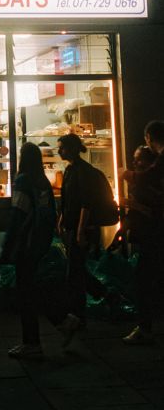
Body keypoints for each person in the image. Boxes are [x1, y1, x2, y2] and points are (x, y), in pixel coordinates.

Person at [1, 142, 57, 358]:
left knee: (26, 293)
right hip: (40, 241)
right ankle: (63, 320)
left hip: (26, 242)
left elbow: (18, 214)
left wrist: (8, 245)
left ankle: (32, 342)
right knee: (34, 288)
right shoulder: (43, 180)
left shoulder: (23, 181)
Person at [58, 132, 114, 330]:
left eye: (62, 148)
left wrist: (81, 231)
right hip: (73, 227)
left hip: (83, 228)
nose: (59, 151)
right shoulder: (70, 170)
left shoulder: (83, 172)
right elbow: (68, 200)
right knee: (77, 270)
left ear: (72, 149)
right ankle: (106, 295)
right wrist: (61, 220)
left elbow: (85, 203)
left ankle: (77, 315)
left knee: (74, 272)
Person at [119, 121, 164, 345]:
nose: (136, 164)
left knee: (144, 279)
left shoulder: (154, 172)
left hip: (154, 235)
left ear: (149, 137)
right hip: (151, 235)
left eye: (138, 161)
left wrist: (125, 174)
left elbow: (153, 209)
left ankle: (145, 328)